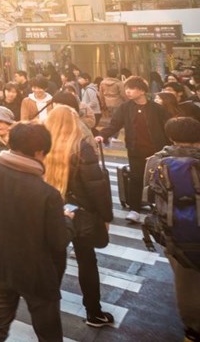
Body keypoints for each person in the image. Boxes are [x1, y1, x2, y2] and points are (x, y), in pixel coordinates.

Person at [0, 122, 71, 341]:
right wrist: (67, 221)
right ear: (39, 152)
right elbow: (59, 242)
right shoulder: (48, 194)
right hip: (37, 274)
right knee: (48, 331)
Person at [42, 105, 115, 328]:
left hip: (51, 212)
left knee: (53, 262)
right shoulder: (82, 148)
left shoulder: (41, 148)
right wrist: (106, 216)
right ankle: (94, 312)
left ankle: (43, 311)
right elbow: (96, 188)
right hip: (80, 214)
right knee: (86, 261)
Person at [144, 116, 200, 341]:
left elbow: (148, 197)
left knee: (185, 283)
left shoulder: (155, 161)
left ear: (170, 137)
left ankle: (192, 330)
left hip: (175, 232)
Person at [97, 76, 169, 223]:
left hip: (157, 151)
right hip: (135, 150)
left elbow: (168, 126)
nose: (128, 91)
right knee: (135, 179)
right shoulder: (125, 107)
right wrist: (101, 136)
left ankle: (162, 208)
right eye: (127, 88)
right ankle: (134, 210)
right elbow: (114, 125)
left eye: (132, 88)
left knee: (160, 180)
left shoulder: (156, 108)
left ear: (142, 91)